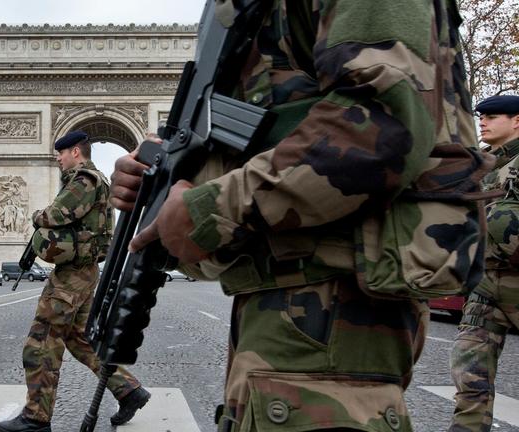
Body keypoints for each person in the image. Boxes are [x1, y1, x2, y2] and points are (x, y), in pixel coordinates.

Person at [110, 1, 488, 431]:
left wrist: (207, 208)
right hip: (283, 299)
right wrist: (167, 179)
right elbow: (271, 137)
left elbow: (384, 121)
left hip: (332, 305)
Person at [0, 130, 150, 432]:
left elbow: (56, 215)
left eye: (61, 153)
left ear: (76, 152)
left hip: (72, 274)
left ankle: (36, 418)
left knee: (41, 341)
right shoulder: (96, 179)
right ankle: (128, 390)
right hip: (83, 271)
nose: (57, 158)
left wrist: (36, 216)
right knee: (80, 339)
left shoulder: (83, 180)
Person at [450, 94, 519, 432]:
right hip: (485, 283)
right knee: (469, 373)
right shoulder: (482, 165)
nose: (483, 121)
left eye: (493, 116)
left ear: (517, 121)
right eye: (481, 116)